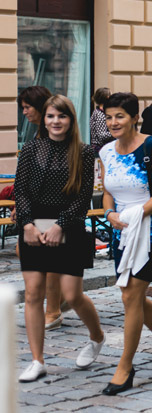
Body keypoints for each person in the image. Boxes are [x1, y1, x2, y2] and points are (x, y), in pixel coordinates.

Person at [15, 95, 105, 382]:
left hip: (69, 225)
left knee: (71, 294)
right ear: (45, 119)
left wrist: (60, 225)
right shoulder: (30, 149)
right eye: (51, 116)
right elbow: (21, 191)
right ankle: (37, 361)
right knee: (33, 294)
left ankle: (97, 337)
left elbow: (83, 197)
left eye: (62, 116)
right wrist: (27, 224)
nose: (56, 122)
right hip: (33, 226)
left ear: (71, 120)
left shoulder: (84, 152)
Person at [100, 92, 152, 395]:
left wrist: (138, 213)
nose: (113, 122)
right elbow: (108, 189)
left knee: (130, 296)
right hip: (122, 231)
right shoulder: (106, 151)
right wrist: (110, 213)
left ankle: (125, 367)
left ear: (135, 117)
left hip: (150, 232)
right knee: (131, 294)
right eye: (108, 116)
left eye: (120, 116)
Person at [16, 86, 65, 331]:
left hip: (51, 209)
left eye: (27, 107)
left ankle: (54, 308)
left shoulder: (50, 135)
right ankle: (61, 300)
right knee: (25, 251)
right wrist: (22, 209)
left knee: (49, 259)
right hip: (34, 208)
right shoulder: (37, 135)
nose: (24, 111)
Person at [90, 87, 114, 153]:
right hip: (100, 149)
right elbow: (102, 135)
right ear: (107, 97)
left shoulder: (99, 112)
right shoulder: (100, 114)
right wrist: (116, 133)